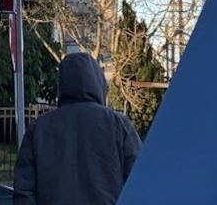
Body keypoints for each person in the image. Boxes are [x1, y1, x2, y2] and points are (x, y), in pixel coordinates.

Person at [13, 52, 142, 205]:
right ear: (98, 82)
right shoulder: (119, 125)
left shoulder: (38, 129)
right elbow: (139, 182)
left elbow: (24, 191)